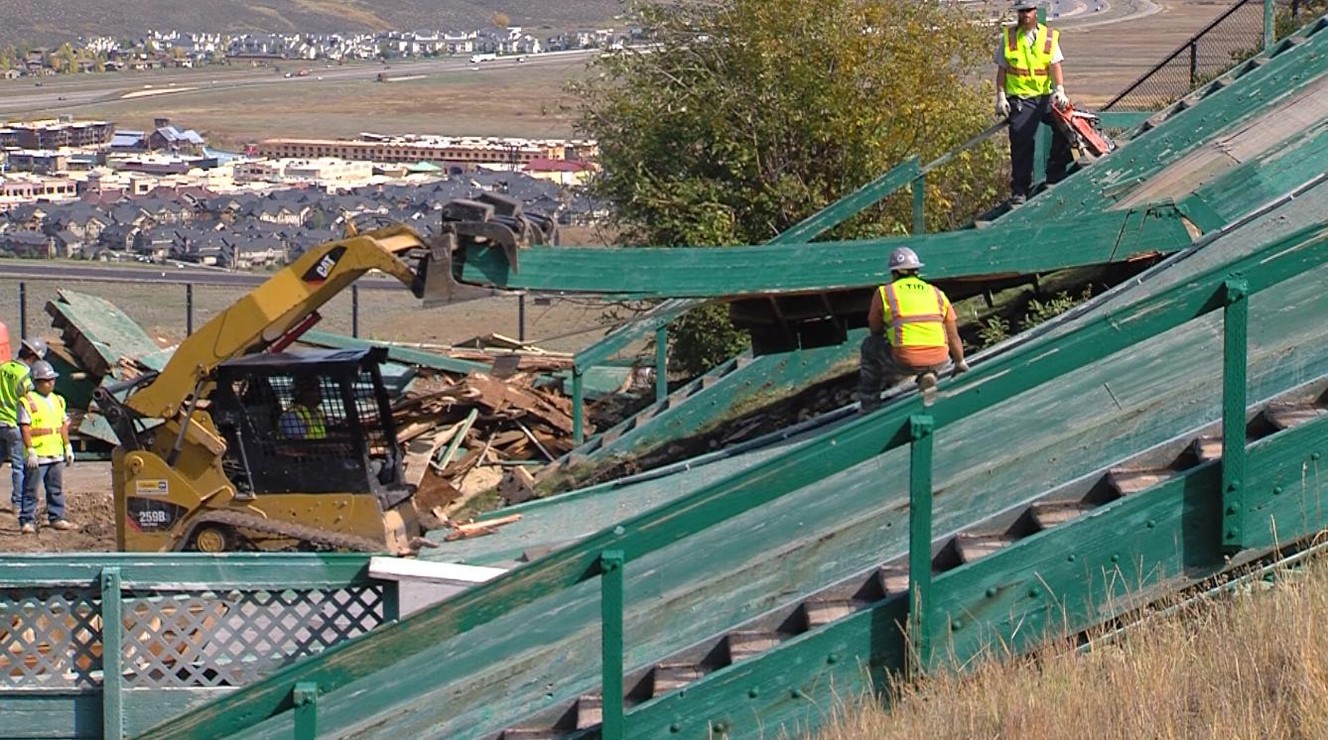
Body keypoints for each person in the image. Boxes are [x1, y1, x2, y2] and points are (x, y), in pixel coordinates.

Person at [857, 247, 969, 412]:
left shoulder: (885, 293)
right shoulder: (936, 293)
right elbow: (952, 334)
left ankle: (869, 403)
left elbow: (875, 329)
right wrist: (960, 362)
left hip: (906, 360)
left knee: (869, 345)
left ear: (894, 273)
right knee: (928, 353)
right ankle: (928, 374)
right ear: (916, 270)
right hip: (940, 359)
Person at [995, 0, 1074, 206]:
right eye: (1021, 11)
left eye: (1028, 11)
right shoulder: (1009, 38)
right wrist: (1001, 96)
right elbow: (1002, 70)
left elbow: (1055, 65)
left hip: (1045, 96)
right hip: (1021, 98)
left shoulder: (1049, 37)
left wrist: (1060, 90)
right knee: (1021, 140)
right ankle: (1020, 190)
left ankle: (1055, 172)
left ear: (1035, 12)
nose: (1025, 15)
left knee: (1067, 126)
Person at [17, 360, 76, 534]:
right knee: (31, 490)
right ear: (37, 382)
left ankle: (56, 517)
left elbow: (62, 426)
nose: (51, 383)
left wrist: (67, 447)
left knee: (55, 489)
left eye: (52, 379)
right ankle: (27, 520)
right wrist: (30, 450)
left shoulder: (58, 400)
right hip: (39, 454)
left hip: (55, 453)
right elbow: (25, 427)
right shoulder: (27, 401)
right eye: (46, 380)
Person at [0, 337, 46, 515]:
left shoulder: (3, 368)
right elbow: (31, 401)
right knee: (19, 467)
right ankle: (17, 504)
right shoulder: (25, 376)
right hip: (14, 425)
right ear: (33, 357)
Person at [278, 376, 328, 441]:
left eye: (319, 389)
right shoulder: (291, 417)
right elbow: (297, 445)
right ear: (301, 393)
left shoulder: (317, 413)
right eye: (314, 389)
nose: (319, 393)